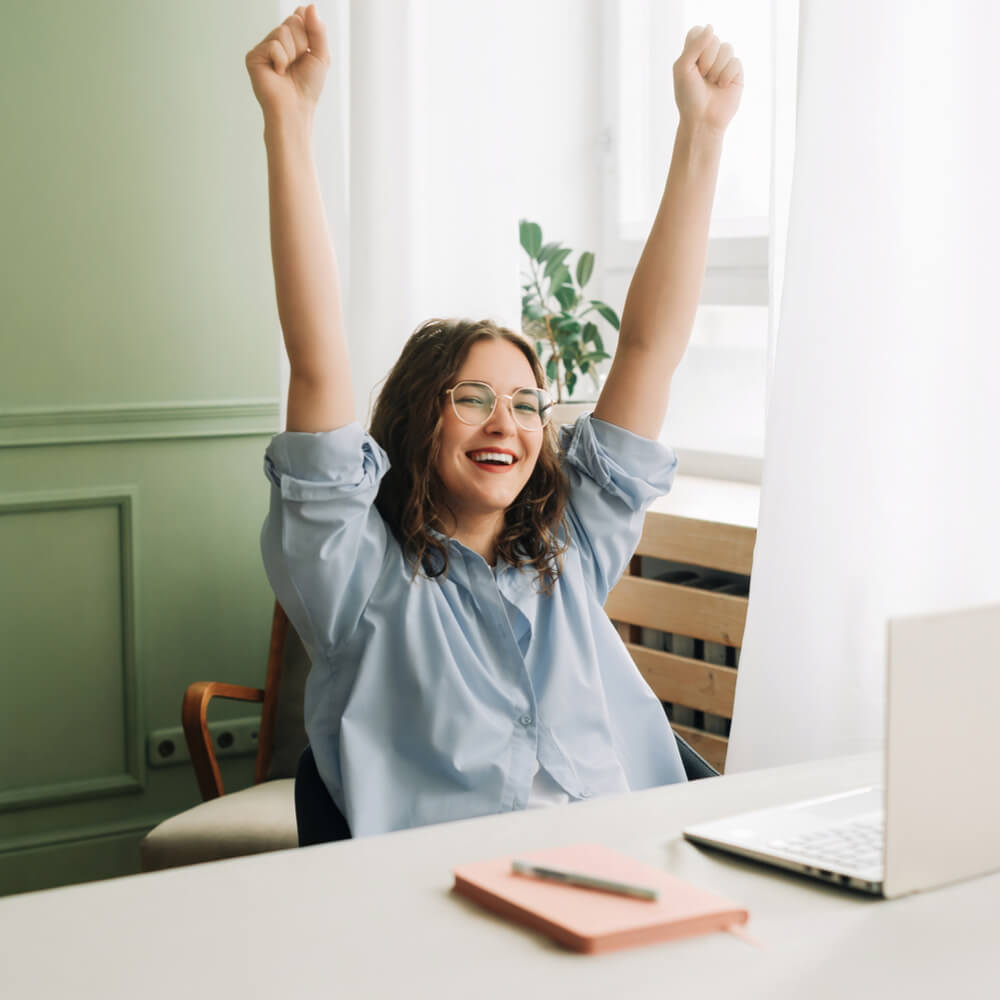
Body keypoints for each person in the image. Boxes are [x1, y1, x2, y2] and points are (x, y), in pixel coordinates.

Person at [246, 5, 742, 838]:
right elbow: (317, 363)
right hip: (449, 902)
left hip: (636, 857)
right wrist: (288, 123)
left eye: (524, 403)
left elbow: (649, 349)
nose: (504, 422)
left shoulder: (572, 549)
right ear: (416, 419)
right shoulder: (355, 576)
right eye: (472, 397)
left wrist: (703, 134)